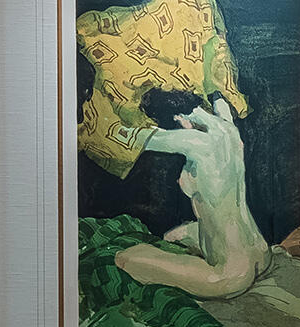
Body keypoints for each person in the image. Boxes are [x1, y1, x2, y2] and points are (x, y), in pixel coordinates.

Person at [114, 95, 269, 301]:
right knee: (172, 236)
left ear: (177, 119)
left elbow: (129, 137)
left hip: (231, 273)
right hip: (259, 250)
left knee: (124, 259)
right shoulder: (226, 127)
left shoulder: (192, 141)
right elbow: (219, 99)